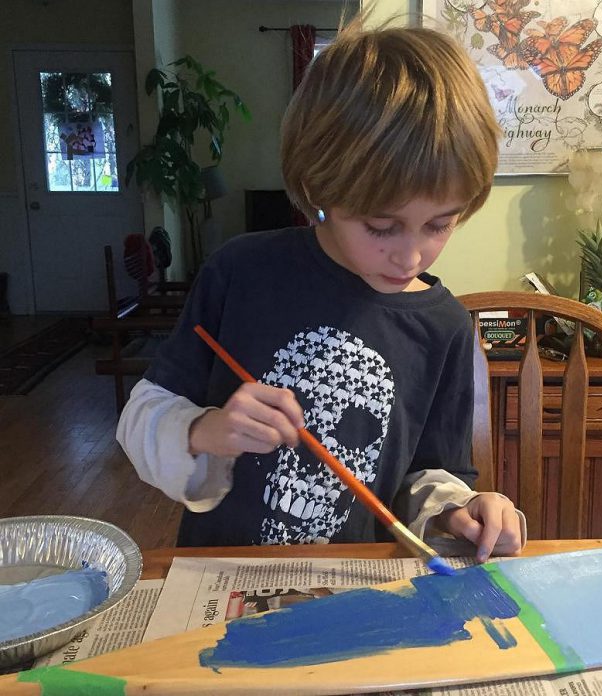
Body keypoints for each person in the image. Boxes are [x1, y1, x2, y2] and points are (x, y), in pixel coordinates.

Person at [117, 14, 526, 563]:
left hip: (352, 592)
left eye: (439, 224)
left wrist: (459, 509)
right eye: (381, 227)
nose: (410, 256)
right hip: (221, 577)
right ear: (318, 187)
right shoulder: (241, 272)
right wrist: (206, 430)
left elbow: (430, 475)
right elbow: (140, 416)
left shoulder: (444, 324)